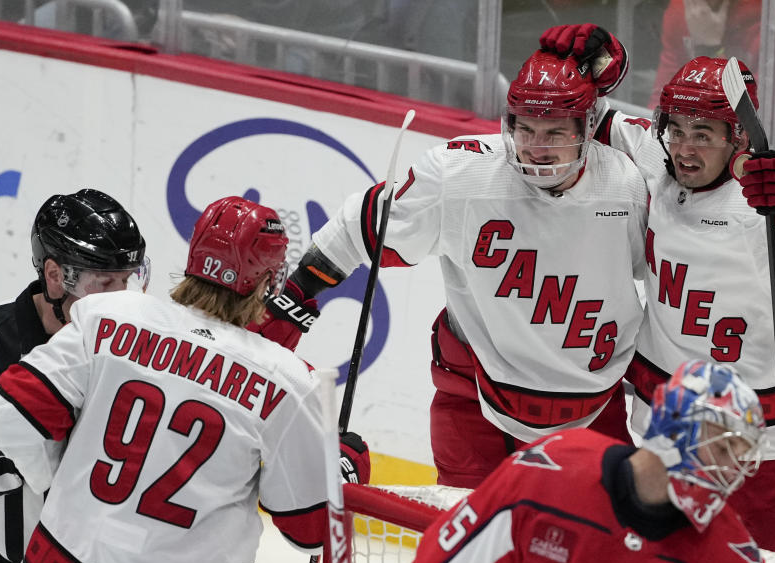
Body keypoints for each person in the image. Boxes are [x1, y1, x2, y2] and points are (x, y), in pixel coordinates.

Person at [538, 25, 775, 563]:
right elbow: (582, 118)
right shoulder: (658, 165)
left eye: (704, 134)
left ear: (738, 138)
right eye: (678, 129)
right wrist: (592, 69)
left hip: (767, 450)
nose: (686, 149)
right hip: (661, 433)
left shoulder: (764, 203)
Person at [257, 48, 650, 489]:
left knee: (591, 551)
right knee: (465, 551)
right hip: (476, 403)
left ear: (588, 128)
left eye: (555, 133)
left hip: (591, 410)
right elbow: (358, 229)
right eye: (527, 130)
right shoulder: (461, 175)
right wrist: (291, 304)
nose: (538, 150)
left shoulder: (629, 185)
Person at [0, 196, 368, 563]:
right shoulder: (288, 378)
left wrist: (61, 485)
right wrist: (343, 466)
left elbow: (11, 418)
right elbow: (310, 531)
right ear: (267, 281)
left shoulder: (104, 316)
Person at [379, 360, 769, 563]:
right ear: (673, 428)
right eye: (722, 448)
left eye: (740, 455)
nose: (731, 470)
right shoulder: (544, 481)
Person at [0, 189, 148, 563]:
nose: (121, 299)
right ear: (55, 276)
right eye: (105, 283)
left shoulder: (136, 350)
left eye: (127, 280)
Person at [648, 0, 775, 146]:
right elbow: (660, 103)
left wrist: (710, 50)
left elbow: (750, 127)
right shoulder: (687, 8)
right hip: (700, 147)